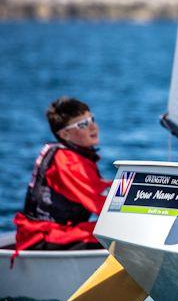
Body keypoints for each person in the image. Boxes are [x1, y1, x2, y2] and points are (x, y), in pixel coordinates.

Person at [11, 97, 112, 262]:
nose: (93, 126)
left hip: (56, 232)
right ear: (65, 134)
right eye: (83, 124)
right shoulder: (68, 160)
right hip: (45, 237)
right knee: (120, 238)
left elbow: (97, 189)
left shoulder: (71, 154)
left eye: (91, 119)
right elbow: (96, 197)